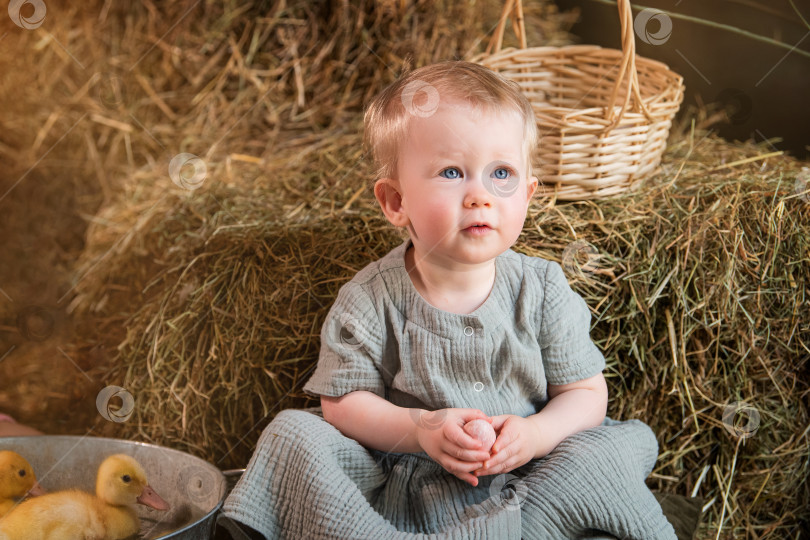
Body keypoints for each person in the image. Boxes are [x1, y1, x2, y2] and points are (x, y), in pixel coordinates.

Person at [217, 61, 676, 539]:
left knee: (600, 452)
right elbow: (342, 402)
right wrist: (420, 429)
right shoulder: (370, 298)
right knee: (296, 432)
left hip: (532, 476)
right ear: (396, 202)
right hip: (412, 484)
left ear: (529, 194)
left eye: (501, 173)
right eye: (452, 172)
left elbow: (585, 394)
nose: (480, 195)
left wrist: (537, 435)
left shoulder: (542, 287)